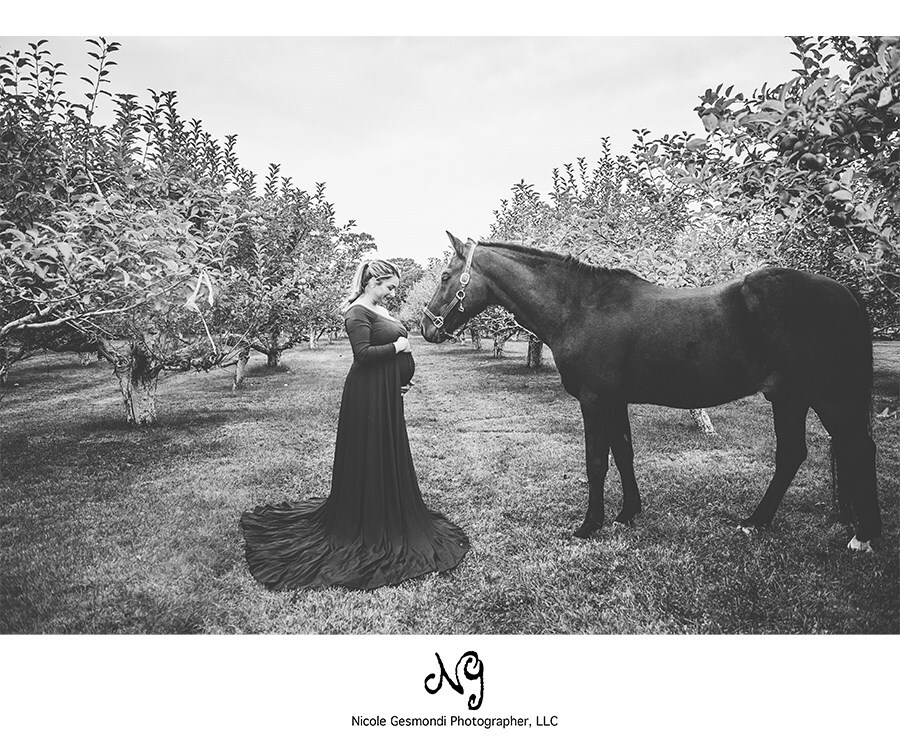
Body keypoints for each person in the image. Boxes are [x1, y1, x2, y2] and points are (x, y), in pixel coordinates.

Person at [239, 258, 470, 590]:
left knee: (385, 449)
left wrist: (400, 377)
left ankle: (386, 508)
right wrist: (398, 346)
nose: (393, 293)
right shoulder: (356, 313)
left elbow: (386, 352)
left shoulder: (378, 309)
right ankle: (368, 517)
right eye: (390, 287)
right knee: (370, 451)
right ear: (373, 282)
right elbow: (363, 354)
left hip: (385, 391)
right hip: (367, 394)